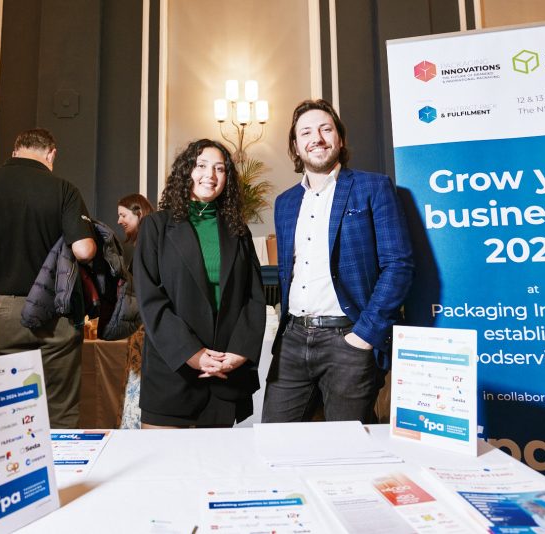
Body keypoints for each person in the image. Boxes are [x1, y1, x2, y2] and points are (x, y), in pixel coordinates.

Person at [261, 99, 414, 424]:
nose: (316, 138)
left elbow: (398, 265)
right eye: (306, 132)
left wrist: (364, 335)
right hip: (292, 340)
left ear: (340, 139)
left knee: (349, 446)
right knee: (275, 440)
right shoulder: (285, 203)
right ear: (295, 146)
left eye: (325, 129)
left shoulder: (373, 187)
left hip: (349, 338)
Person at [0, 128, 96, 428]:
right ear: (51, 154)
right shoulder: (63, 189)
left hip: (3, 308)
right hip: (55, 311)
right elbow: (83, 250)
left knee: (5, 409)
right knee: (59, 410)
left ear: (15, 150)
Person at [134, 139, 266, 428]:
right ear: (186, 171)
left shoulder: (238, 230)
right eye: (201, 166)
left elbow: (253, 297)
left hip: (224, 371)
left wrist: (240, 352)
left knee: (217, 458)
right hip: (173, 370)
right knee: (163, 458)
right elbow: (150, 300)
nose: (211, 175)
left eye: (220, 168)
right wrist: (191, 354)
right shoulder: (156, 226)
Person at [116, 193, 154, 429]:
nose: (119, 220)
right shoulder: (138, 245)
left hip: (145, 326)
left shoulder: (146, 246)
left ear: (138, 213)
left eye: (123, 215)